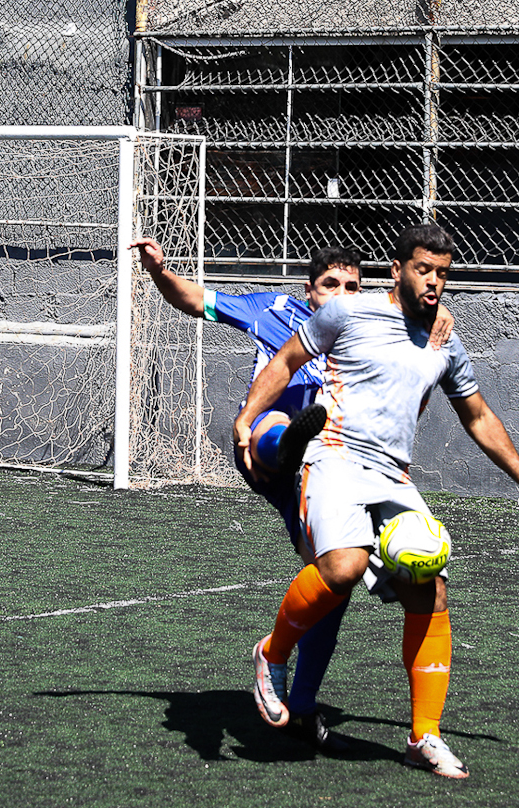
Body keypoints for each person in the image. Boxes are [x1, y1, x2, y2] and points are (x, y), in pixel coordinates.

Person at [234, 222, 519, 778]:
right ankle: (271, 656)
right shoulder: (348, 313)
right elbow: (287, 361)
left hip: (392, 477)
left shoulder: (446, 343)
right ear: (397, 271)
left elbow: (479, 416)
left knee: (431, 590)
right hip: (334, 456)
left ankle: (425, 736)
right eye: (424, 269)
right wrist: (248, 420)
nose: (435, 282)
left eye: (443, 272)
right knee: (342, 568)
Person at [132, 237, 387, 751]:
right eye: (329, 285)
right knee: (278, 423)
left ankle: (304, 705)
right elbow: (192, 299)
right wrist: (159, 271)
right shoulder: (273, 309)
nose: (341, 294)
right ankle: (288, 439)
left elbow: (420, 312)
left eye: (352, 286)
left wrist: (441, 314)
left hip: (327, 472)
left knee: (335, 578)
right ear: (308, 291)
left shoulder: (369, 329)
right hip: (260, 449)